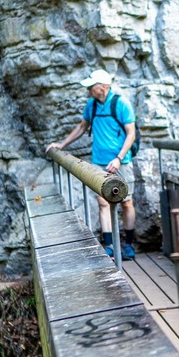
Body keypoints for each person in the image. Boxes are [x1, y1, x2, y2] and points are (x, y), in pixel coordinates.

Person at [47, 68, 138, 260]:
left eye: (92, 86)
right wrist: (61, 145)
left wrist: (119, 158)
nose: (88, 90)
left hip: (121, 161)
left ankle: (129, 245)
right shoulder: (92, 105)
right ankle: (110, 246)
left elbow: (131, 133)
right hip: (99, 161)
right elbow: (82, 127)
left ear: (103, 87)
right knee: (103, 201)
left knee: (126, 202)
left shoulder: (121, 103)